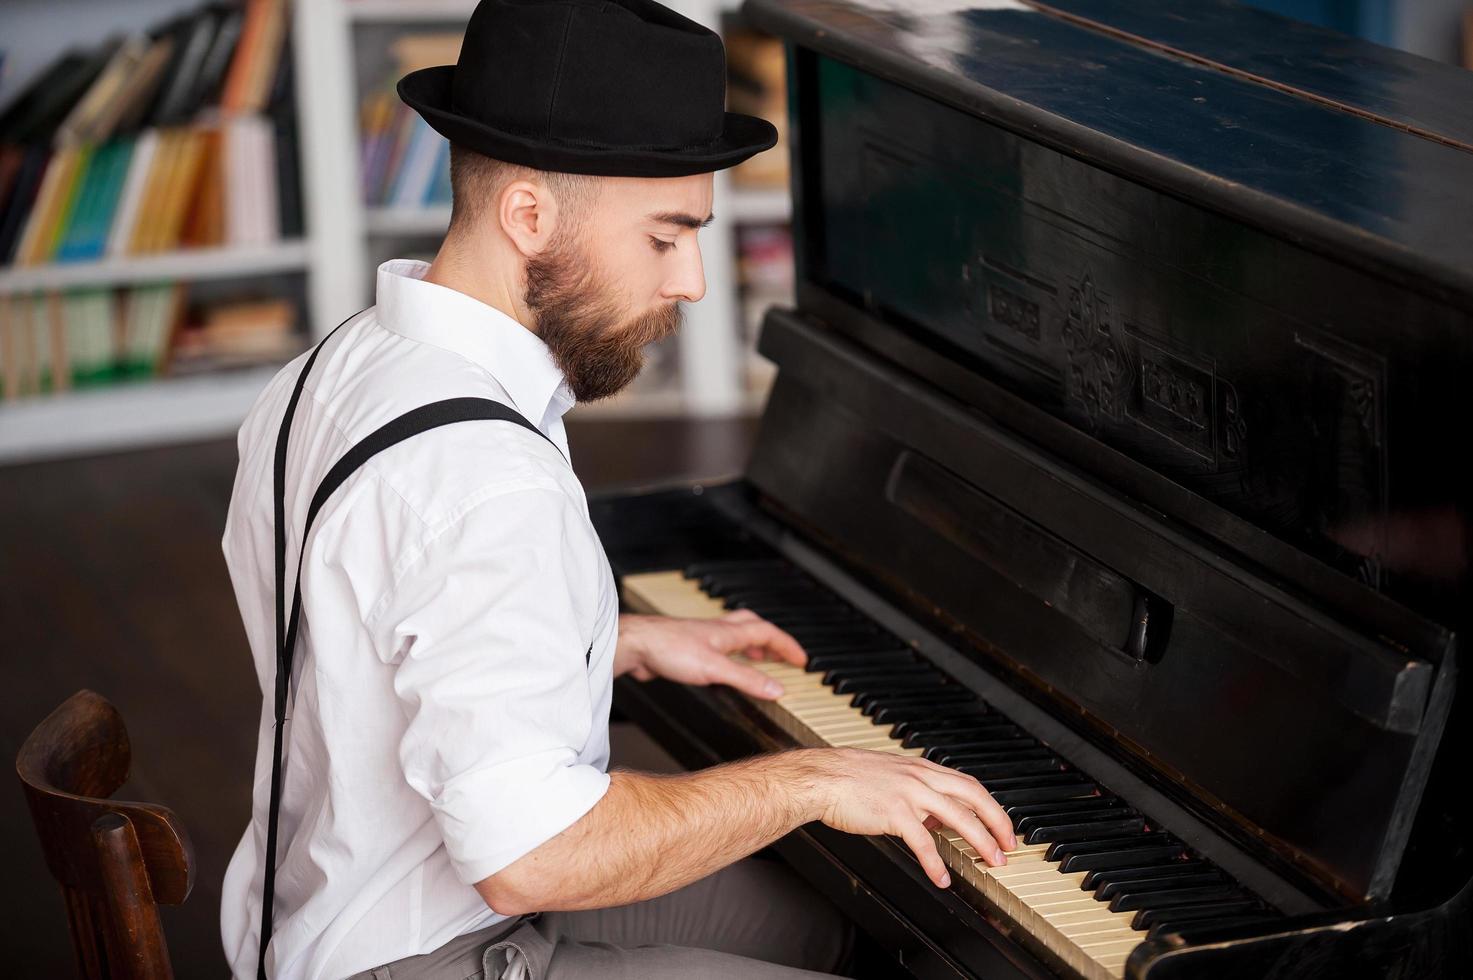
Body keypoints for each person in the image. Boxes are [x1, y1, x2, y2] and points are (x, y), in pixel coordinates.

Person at [219, 1, 1015, 977]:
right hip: (427, 945)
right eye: (664, 236)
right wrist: (808, 777)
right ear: (528, 213)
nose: (692, 282)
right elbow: (533, 855)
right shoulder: (489, 480)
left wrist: (611, 641)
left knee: (854, 928)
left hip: (311, 897)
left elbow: (378, 623)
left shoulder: (330, 369)